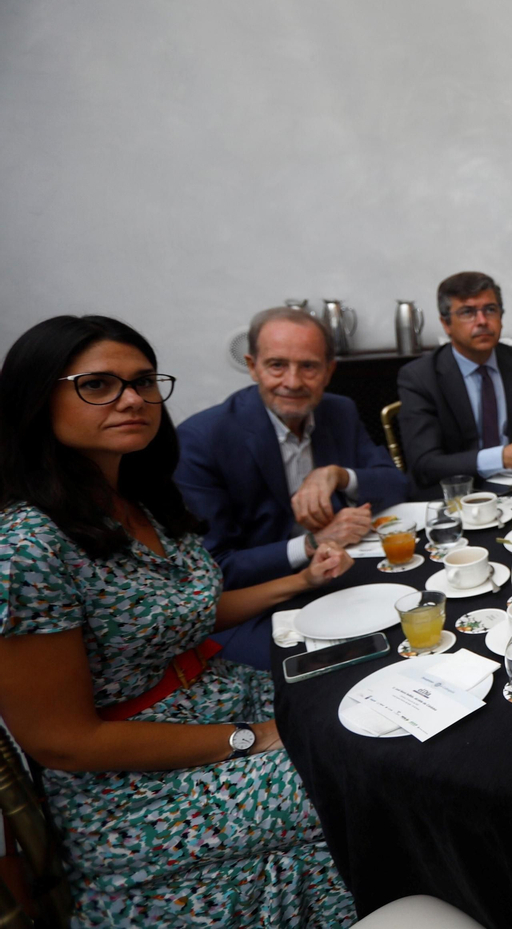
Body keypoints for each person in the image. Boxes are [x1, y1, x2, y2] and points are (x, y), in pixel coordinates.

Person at [0, 315, 356, 927]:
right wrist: (250, 737)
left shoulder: (139, 497)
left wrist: (299, 582)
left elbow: (176, 614)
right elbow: (63, 742)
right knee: (364, 776)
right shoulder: (26, 543)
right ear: (36, 399)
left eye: (143, 382)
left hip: (221, 699)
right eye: (98, 385)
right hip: (139, 779)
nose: (132, 399)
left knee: (368, 697)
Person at [175, 307, 410, 669]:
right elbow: (216, 568)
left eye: (309, 367)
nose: (293, 381)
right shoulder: (202, 440)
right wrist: (311, 543)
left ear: (329, 370)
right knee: (343, 669)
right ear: (253, 366)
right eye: (277, 365)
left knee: (416, 624)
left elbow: (397, 485)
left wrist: (338, 475)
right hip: (256, 606)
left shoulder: (339, 411)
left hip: (340, 575)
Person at [397, 271, 512, 488]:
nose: (482, 321)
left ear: (501, 316)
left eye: (490, 309)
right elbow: (425, 464)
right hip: (458, 494)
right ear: (446, 324)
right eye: (467, 312)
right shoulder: (420, 377)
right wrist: (501, 458)